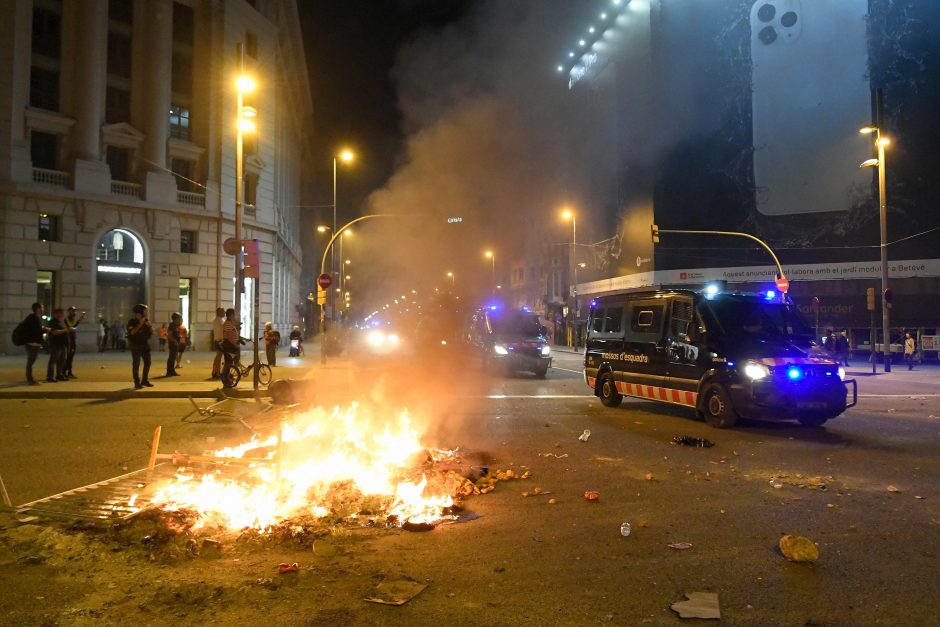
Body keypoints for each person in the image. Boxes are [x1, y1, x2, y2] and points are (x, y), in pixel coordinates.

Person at [19, 302, 47, 385]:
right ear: (38, 309)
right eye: (42, 307)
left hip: (32, 343)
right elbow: (36, 331)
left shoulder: (33, 317)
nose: (43, 309)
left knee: (31, 361)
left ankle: (30, 378)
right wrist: (45, 330)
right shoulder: (34, 318)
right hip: (32, 343)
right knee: (30, 362)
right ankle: (30, 379)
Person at [126, 304, 153, 389]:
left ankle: (144, 380)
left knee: (148, 362)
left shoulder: (146, 320)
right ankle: (137, 382)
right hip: (135, 345)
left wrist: (150, 327)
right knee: (136, 364)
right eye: (144, 310)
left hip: (145, 345)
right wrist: (140, 324)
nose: (146, 312)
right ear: (139, 311)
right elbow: (132, 332)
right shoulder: (132, 321)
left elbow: (149, 333)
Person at [45, 308, 70, 383]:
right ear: (56, 314)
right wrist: (65, 330)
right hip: (55, 344)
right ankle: (50, 377)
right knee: (53, 360)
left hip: (62, 344)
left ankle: (59, 375)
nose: (63, 315)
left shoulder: (60, 322)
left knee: (61, 361)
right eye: (61, 313)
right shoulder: (52, 322)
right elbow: (54, 332)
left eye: (63, 313)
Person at [63, 306, 86, 378]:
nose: (74, 312)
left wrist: (80, 319)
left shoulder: (72, 319)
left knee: (70, 357)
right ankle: (64, 371)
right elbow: (71, 327)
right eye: (72, 311)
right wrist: (79, 320)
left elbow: (73, 327)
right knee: (69, 357)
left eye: (75, 311)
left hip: (72, 340)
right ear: (69, 311)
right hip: (68, 340)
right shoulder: (67, 319)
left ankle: (68, 372)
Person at [211, 307, 225, 379]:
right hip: (219, 340)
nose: (224, 312)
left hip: (218, 340)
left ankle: (216, 371)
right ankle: (216, 372)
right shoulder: (219, 320)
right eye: (222, 311)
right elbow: (224, 328)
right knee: (218, 357)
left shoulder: (218, 319)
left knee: (218, 357)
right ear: (218, 312)